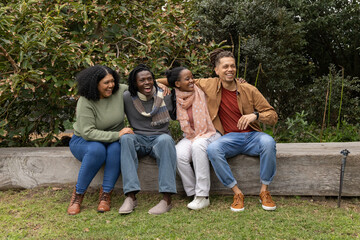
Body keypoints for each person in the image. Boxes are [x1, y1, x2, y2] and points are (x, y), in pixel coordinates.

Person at [203, 49, 278, 212]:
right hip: (230, 138)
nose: (230, 69)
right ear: (217, 70)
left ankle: (264, 191)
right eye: (225, 67)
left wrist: (255, 116)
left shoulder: (248, 89)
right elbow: (182, 79)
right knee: (213, 149)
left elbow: (272, 115)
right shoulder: (209, 85)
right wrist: (158, 83)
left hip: (252, 136)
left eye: (233, 66)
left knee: (268, 142)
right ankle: (237, 193)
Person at [67, 65, 133, 215]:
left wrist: (161, 83)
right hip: (84, 141)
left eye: (112, 81)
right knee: (97, 149)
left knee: (116, 149)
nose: (111, 86)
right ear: (94, 84)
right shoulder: (85, 101)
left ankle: (105, 195)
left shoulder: (121, 90)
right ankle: (78, 195)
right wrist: (117, 135)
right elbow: (87, 133)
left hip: (112, 141)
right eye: (106, 83)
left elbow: (142, 83)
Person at [118, 64, 177, 215]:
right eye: (142, 80)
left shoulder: (165, 94)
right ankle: (131, 197)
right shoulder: (127, 98)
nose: (147, 83)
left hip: (159, 138)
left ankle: (166, 199)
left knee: (166, 140)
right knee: (126, 139)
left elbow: (185, 82)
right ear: (134, 83)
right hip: (139, 138)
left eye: (150, 79)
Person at [165, 67, 221, 210]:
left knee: (198, 146)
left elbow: (221, 82)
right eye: (187, 79)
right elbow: (158, 82)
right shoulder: (175, 96)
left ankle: (203, 196)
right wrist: (158, 83)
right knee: (178, 154)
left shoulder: (201, 90)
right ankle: (193, 192)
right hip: (191, 135)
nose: (192, 80)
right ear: (177, 84)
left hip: (211, 132)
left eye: (192, 77)